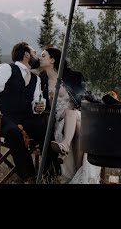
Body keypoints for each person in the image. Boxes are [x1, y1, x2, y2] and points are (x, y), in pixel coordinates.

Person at [0, 41, 55, 183]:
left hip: (25, 118)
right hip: (3, 118)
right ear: (26, 54)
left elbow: (36, 101)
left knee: (47, 130)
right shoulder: (6, 69)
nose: (37, 56)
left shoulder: (36, 79)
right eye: (34, 53)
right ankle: (29, 177)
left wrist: (38, 106)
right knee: (13, 132)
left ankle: (48, 175)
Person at [39, 46, 102, 184]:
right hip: (59, 120)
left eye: (43, 55)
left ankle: (65, 146)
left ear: (53, 60)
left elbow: (85, 96)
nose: (39, 58)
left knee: (71, 113)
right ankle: (78, 174)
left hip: (79, 114)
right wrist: (47, 101)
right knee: (79, 135)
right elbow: (38, 102)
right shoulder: (41, 81)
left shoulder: (73, 76)